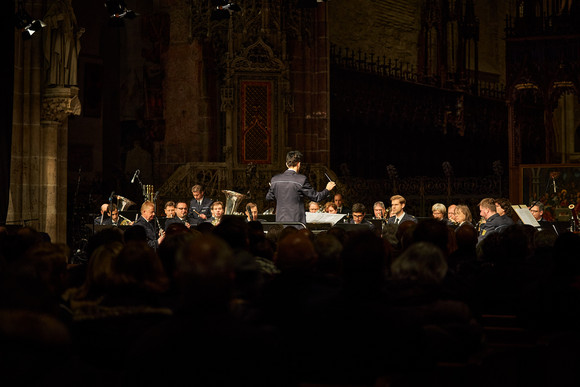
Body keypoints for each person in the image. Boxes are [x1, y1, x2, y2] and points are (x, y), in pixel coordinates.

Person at [266, 150, 335, 224]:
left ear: (286, 164)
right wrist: (327, 189)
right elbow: (316, 197)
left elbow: (269, 197)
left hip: (280, 222)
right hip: (296, 223)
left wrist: (272, 188)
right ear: (299, 164)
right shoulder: (301, 180)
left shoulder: (275, 179)